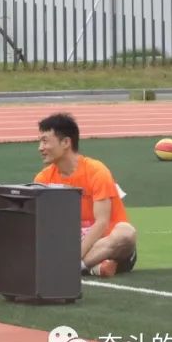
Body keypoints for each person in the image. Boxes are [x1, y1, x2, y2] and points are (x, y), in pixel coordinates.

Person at [34, 113, 137, 278]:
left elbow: (102, 223)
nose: (40, 148)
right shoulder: (43, 179)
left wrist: (74, 258)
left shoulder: (97, 171)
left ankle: (75, 266)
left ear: (66, 142)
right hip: (72, 243)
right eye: (40, 142)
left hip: (107, 244)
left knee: (126, 232)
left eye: (45, 141)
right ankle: (93, 266)